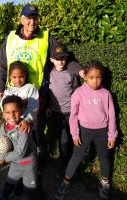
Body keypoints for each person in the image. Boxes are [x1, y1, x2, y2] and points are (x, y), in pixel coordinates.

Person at [0, 3, 60, 155]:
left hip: (36, 94)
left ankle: (37, 160)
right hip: (14, 92)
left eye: (35, 18)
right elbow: (1, 65)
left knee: (36, 129)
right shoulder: (10, 37)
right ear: (22, 19)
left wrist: (79, 71)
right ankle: (18, 158)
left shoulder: (46, 36)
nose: (32, 22)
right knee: (15, 127)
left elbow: (60, 56)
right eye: (29, 18)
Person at [55, 60, 118, 200]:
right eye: (91, 77)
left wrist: (112, 135)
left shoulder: (106, 94)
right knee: (76, 157)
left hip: (102, 133)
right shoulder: (78, 93)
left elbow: (112, 115)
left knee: (105, 159)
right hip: (84, 132)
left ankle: (105, 184)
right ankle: (66, 182)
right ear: (85, 77)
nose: (95, 81)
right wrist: (75, 134)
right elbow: (73, 116)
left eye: (98, 77)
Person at [46, 45, 84, 176]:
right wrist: (47, 107)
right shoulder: (49, 74)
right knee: (62, 141)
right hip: (56, 114)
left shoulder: (70, 74)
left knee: (72, 140)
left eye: (63, 58)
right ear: (51, 59)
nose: (61, 61)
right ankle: (64, 165)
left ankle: (74, 168)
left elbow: (77, 91)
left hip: (71, 114)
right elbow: (46, 93)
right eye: (57, 59)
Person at [0, 95, 37, 200]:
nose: (11, 115)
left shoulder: (24, 128)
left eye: (15, 111)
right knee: (9, 182)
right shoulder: (4, 127)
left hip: (28, 164)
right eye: (7, 112)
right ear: (3, 114)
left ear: (21, 111)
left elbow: (21, 153)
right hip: (15, 164)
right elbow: (0, 145)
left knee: (30, 191)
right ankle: (3, 196)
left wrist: (2, 158)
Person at [0, 60, 39, 133]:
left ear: (25, 76)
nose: (18, 80)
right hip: (12, 124)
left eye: (21, 77)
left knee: (27, 143)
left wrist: (27, 120)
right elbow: (3, 106)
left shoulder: (30, 88)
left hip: (27, 125)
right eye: (14, 77)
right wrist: (9, 117)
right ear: (10, 77)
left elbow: (34, 107)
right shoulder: (8, 91)